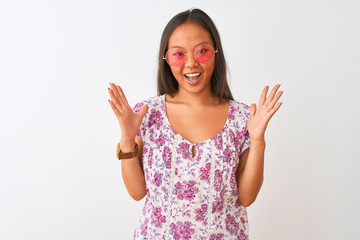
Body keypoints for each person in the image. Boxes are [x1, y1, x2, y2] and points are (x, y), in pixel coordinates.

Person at [107, 8, 283, 240]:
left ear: (215, 53)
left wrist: (258, 141)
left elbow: (247, 197)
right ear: (166, 59)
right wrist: (128, 139)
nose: (191, 63)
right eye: (178, 54)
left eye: (202, 51)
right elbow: (137, 192)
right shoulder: (148, 114)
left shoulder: (242, 119)